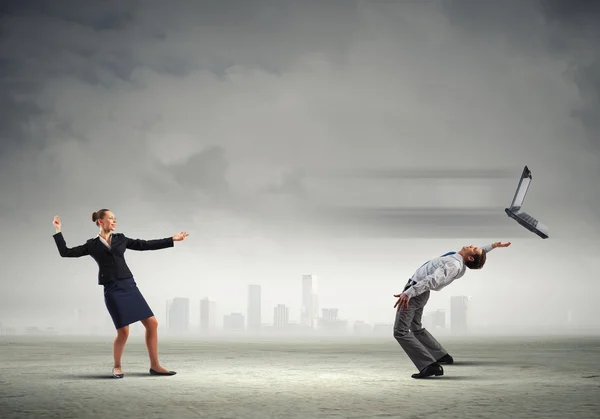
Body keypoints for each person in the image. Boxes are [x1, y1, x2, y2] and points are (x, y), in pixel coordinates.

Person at [52, 209, 189, 379]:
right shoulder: (92, 245)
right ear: (101, 222)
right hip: (112, 289)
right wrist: (58, 231)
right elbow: (66, 252)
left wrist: (172, 239)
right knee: (124, 332)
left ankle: (155, 365)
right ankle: (117, 366)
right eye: (111, 218)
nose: (114, 221)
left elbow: (144, 245)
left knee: (152, 324)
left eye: (115, 219)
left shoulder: (121, 239)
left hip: (129, 285)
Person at [392, 241, 511, 379]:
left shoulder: (453, 265)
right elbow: (478, 253)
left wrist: (409, 293)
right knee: (415, 327)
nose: (472, 245)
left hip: (415, 291)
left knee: (400, 332)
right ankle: (441, 356)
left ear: (470, 258)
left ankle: (429, 366)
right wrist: (493, 246)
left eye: (473, 248)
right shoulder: (458, 259)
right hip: (419, 292)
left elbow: (432, 280)